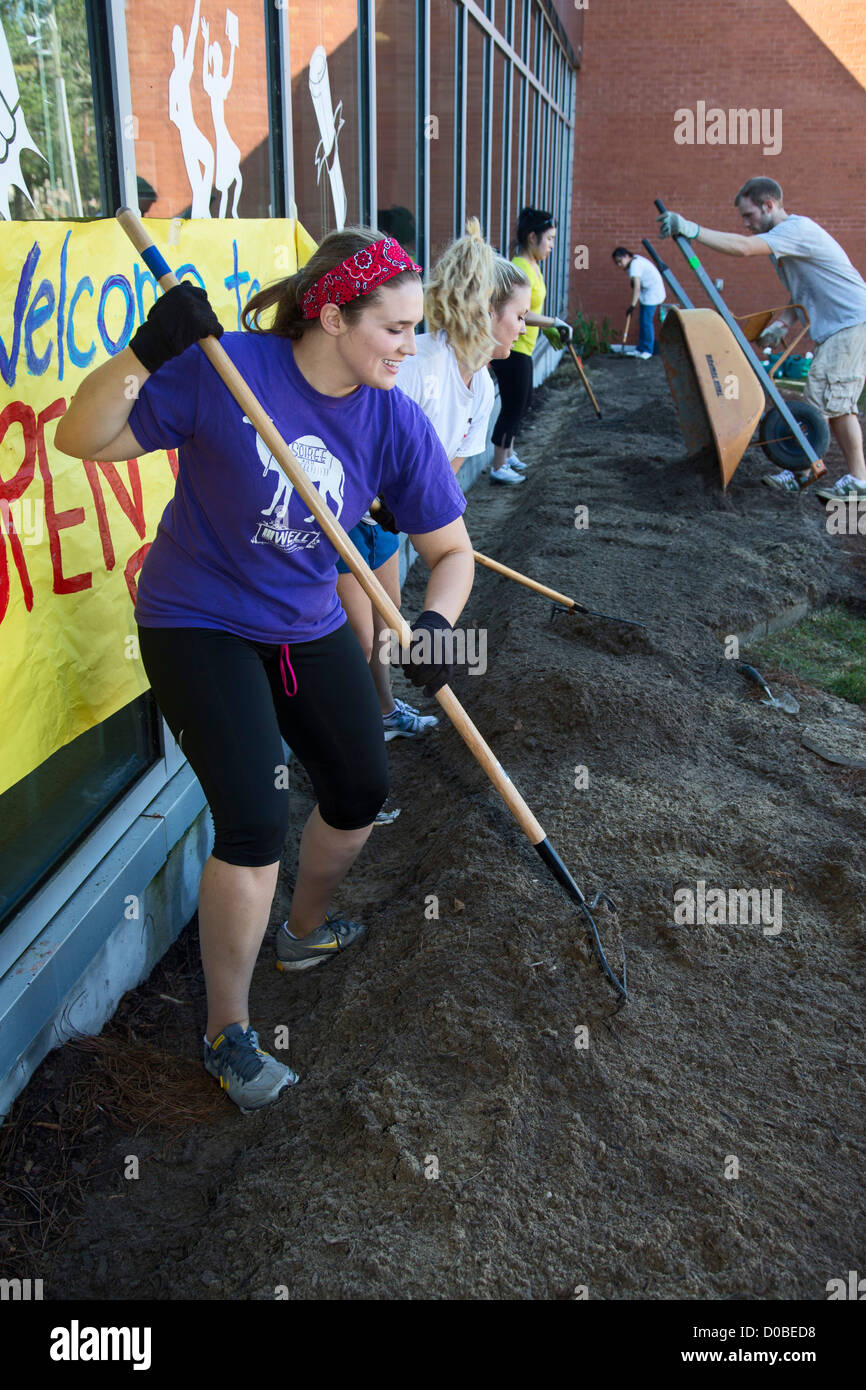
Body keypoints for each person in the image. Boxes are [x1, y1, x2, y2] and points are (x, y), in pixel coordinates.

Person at [55, 229, 474, 1113]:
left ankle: (304, 931)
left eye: (416, 328)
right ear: (332, 315)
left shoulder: (394, 418)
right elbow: (79, 438)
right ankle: (228, 1032)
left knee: (359, 789)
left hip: (305, 620)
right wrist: (143, 351)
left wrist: (436, 622)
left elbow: (452, 551)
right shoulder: (225, 367)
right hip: (195, 618)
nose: (411, 346)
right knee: (251, 817)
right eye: (396, 329)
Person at [335, 222, 530, 747]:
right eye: (518, 316)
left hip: (386, 518)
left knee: (385, 626)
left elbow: (440, 472)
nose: (523, 328)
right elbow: (359, 438)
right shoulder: (419, 364)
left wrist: (421, 519)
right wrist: (387, 501)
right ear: (486, 313)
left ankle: (380, 711)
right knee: (359, 635)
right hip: (347, 513)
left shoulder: (483, 387)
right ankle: (354, 742)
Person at [659, 178, 866, 500]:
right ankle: (854, 481)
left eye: (749, 215)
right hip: (843, 325)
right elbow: (805, 289)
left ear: (769, 205)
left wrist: (691, 229)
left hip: (851, 323)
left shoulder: (796, 230)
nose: (746, 224)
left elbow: (743, 248)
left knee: (818, 400)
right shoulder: (785, 242)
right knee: (840, 405)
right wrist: (783, 323)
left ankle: (801, 471)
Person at [488, 207, 573, 484]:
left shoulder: (534, 266)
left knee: (523, 402)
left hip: (525, 345)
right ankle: (498, 465)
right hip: (512, 348)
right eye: (549, 239)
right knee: (513, 405)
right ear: (532, 237)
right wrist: (552, 322)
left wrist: (546, 326)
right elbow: (518, 309)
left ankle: (508, 453)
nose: (551, 245)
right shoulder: (519, 268)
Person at [612, 246, 666, 357]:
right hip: (646, 292)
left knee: (646, 321)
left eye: (620, 261)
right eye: (617, 263)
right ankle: (640, 349)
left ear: (626, 256)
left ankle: (647, 351)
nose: (619, 265)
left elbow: (636, 287)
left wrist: (632, 306)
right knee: (642, 321)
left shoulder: (635, 265)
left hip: (653, 293)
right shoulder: (633, 261)